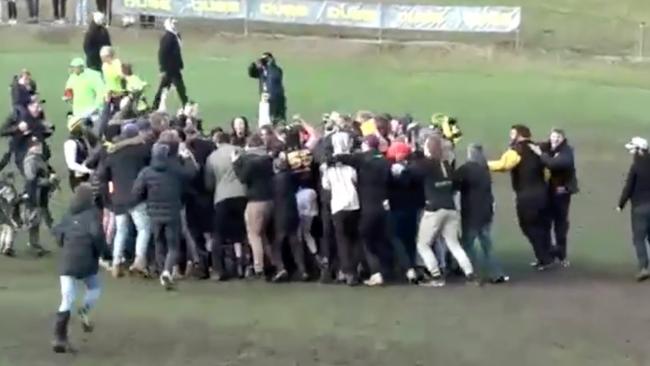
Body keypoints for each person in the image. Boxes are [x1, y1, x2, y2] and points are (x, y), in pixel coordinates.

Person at [404, 135, 475, 287]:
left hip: (434, 209)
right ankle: (469, 273)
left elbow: (408, 174)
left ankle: (435, 275)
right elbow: (455, 184)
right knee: (454, 243)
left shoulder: (425, 164)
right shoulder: (446, 165)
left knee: (423, 245)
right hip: (450, 208)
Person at [51, 183, 109, 353]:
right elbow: (97, 236)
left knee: (66, 299)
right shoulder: (93, 214)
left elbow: (58, 232)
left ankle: (59, 338)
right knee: (94, 288)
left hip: (67, 262)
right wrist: (106, 254)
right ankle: (85, 309)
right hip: (86, 263)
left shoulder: (69, 214)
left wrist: (65, 244)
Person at [132, 142, 197, 290]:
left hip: (154, 214)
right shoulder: (175, 170)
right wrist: (186, 158)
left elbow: (136, 192)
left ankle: (162, 270)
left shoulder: (146, 172)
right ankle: (167, 271)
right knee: (173, 246)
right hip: (173, 212)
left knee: (159, 242)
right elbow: (192, 174)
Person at [489, 125, 553, 270]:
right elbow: (547, 171)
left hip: (526, 196)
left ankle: (544, 257)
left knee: (528, 226)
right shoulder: (538, 149)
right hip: (543, 193)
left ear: (519, 135)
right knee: (542, 226)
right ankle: (546, 255)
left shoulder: (516, 151)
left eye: (512, 133)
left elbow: (503, 165)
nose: (510, 136)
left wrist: (483, 164)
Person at [333, 134, 392, 286]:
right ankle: (386, 270)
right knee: (379, 239)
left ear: (366, 145)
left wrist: (332, 157)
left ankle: (375, 272)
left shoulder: (363, 159)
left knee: (364, 240)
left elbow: (343, 158)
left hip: (367, 206)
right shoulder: (385, 161)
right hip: (382, 206)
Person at [97, 123, 152, 278]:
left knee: (121, 230)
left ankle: (116, 263)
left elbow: (103, 175)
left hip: (118, 198)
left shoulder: (113, 153)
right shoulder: (142, 151)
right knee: (143, 228)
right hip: (136, 197)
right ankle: (139, 260)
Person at [455, 144, 509, 284]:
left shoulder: (465, 169)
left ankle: (472, 273)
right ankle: (497, 274)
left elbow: (454, 185)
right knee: (487, 246)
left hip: (471, 213)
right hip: (486, 212)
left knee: (468, 245)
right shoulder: (484, 169)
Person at [529, 128, 579, 267]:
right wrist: (525, 144)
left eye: (558, 137)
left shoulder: (566, 152)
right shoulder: (550, 147)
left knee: (560, 226)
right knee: (544, 224)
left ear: (562, 139)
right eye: (553, 136)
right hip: (548, 193)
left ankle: (562, 256)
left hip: (561, 195)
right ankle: (546, 256)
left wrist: (540, 154)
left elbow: (553, 164)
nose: (554, 139)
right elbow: (536, 145)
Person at [204, 131, 247, 280]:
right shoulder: (240, 151)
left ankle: (218, 270)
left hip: (222, 197)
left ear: (216, 142)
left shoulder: (212, 157)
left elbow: (208, 184)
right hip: (242, 195)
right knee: (241, 233)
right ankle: (243, 266)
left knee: (218, 235)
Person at [321, 131, 361, 286]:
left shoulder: (329, 166)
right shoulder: (351, 163)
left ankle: (348, 272)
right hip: (354, 203)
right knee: (354, 239)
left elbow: (326, 186)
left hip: (338, 205)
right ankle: (355, 269)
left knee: (342, 240)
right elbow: (355, 180)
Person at [233, 134, 275, 279]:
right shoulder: (268, 159)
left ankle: (259, 267)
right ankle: (273, 262)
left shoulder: (250, 161)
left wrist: (235, 163)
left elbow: (242, 178)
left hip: (256, 201)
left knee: (253, 234)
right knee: (262, 234)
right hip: (270, 200)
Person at [270, 154, 307, 282]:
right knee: (295, 242)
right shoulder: (292, 177)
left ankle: (281, 268)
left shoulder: (274, 180)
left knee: (278, 243)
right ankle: (303, 270)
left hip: (280, 213)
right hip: (293, 211)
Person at [617, 137, 650, 281]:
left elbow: (629, 187)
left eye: (634, 149)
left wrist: (621, 204)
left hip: (640, 208)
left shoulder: (636, 167)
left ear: (640, 150)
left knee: (639, 238)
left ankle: (643, 267)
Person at [23, 137, 56, 256]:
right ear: (31, 147)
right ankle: (33, 244)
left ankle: (36, 244)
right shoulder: (30, 160)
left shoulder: (39, 158)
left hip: (41, 194)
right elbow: (32, 179)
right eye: (36, 145)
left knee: (40, 219)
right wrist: (48, 181)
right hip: (34, 195)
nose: (39, 147)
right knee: (33, 220)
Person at [153, 18, 188, 110]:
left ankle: (155, 106)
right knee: (178, 88)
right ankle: (186, 105)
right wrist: (163, 69)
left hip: (174, 68)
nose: (175, 26)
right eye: (173, 24)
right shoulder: (167, 37)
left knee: (173, 88)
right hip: (169, 69)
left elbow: (177, 52)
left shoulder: (175, 36)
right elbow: (162, 53)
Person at [248, 52, 286, 124]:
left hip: (276, 100)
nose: (264, 60)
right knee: (264, 121)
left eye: (265, 59)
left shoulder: (277, 70)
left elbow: (274, 77)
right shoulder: (261, 71)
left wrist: (270, 64)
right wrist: (253, 65)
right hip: (264, 100)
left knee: (277, 120)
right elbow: (252, 74)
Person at [63, 116, 93, 190]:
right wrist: (87, 170)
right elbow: (71, 164)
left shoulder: (81, 140)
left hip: (86, 176)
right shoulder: (70, 143)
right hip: (78, 180)